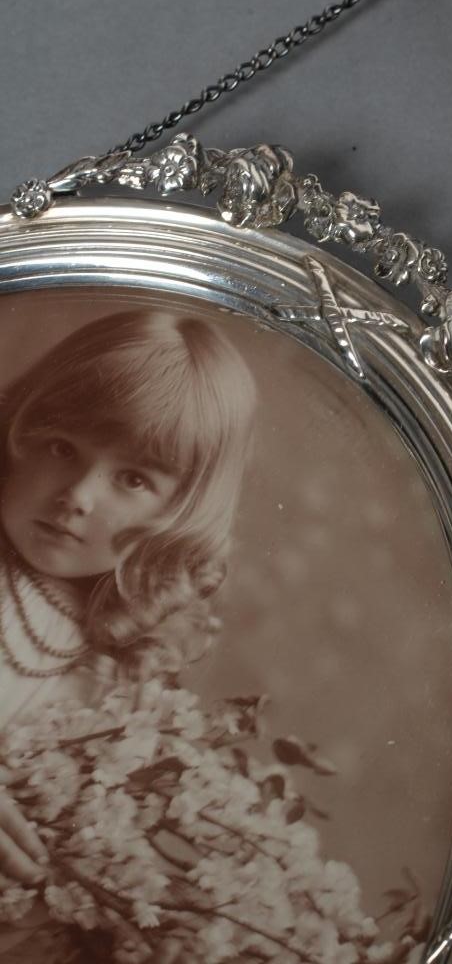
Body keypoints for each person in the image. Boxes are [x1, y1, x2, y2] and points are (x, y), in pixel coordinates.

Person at [0, 308, 257, 896]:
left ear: (180, 516)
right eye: (63, 448)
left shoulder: (120, 682)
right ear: (19, 427)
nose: (78, 496)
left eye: (134, 479)